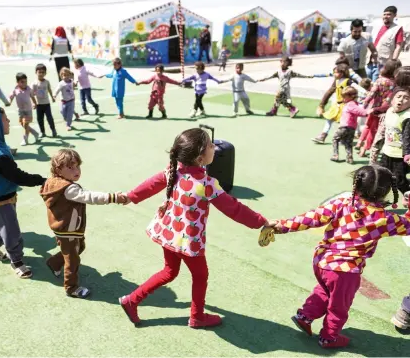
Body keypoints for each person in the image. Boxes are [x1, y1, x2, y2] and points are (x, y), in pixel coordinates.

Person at [118, 128, 275, 327]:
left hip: (168, 233)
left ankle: (132, 300)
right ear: (200, 158)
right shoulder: (206, 184)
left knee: (169, 271)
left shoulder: (173, 170)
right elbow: (234, 209)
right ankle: (197, 317)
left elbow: (151, 184)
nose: (214, 148)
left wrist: (131, 196)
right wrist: (261, 221)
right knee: (200, 276)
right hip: (187, 241)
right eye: (211, 145)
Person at [267, 165, 410, 349]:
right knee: (339, 305)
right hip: (345, 271)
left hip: (322, 261)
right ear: (387, 191)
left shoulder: (342, 203)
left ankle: (305, 315)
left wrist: (281, 225)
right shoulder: (385, 219)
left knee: (324, 289)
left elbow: (311, 218)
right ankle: (329, 337)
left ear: (356, 185)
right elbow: (407, 225)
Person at [40, 149, 127, 298]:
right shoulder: (68, 188)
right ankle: (71, 287)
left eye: (78, 166)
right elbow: (88, 196)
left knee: (78, 248)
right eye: (71, 167)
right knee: (72, 259)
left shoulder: (53, 182)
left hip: (64, 227)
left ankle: (54, 263)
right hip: (68, 229)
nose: (77, 171)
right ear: (58, 169)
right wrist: (113, 197)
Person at [0, 103, 45, 278]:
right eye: (5, 119)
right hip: (0, 198)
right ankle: (17, 261)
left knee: (2, 225)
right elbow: (18, 176)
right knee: (11, 231)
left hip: (2, 196)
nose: (8, 121)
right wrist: (42, 180)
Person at [355, 59, 399, 157]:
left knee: (367, 126)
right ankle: (364, 149)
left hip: (373, 108)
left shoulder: (380, 80)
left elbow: (372, 93)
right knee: (374, 131)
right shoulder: (395, 83)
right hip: (383, 111)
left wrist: (365, 104)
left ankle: (359, 142)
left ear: (386, 68)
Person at [378, 87, 410, 199]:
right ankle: (377, 200)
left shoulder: (407, 117)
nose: (401, 100)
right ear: (392, 99)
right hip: (387, 152)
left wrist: (407, 154)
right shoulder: (390, 111)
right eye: (398, 97)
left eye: (406, 98)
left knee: (399, 181)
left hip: (400, 156)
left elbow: (407, 138)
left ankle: (408, 196)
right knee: (381, 176)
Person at [312, 63, 356, 144]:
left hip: (345, 106)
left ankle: (344, 137)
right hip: (336, 105)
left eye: (336, 72)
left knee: (343, 123)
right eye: (334, 72)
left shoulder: (348, 81)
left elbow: (355, 89)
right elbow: (330, 91)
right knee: (329, 119)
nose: (334, 74)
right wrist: (321, 104)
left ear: (342, 73)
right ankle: (323, 135)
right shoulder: (336, 81)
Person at [330, 87, 367, 164]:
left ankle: (335, 155)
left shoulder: (351, 104)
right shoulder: (353, 104)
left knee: (335, 139)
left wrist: (367, 112)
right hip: (352, 128)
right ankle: (349, 158)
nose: (343, 99)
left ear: (351, 97)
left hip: (345, 127)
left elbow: (362, 112)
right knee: (348, 143)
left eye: (344, 97)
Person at [372, 6, 404, 78]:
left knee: (382, 84)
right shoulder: (377, 27)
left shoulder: (397, 29)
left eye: (389, 14)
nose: (386, 16)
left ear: (394, 16)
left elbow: (398, 47)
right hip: (372, 62)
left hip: (385, 63)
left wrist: (393, 62)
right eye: (384, 14)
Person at [8, 72, 39, 146]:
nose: (24, 83)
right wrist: (9, 102)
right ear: (17, 82)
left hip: (28, 110)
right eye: (22, 82)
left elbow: (32, 96)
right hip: (20, 110)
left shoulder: (29, 89)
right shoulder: (15, 89)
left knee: (25, 125)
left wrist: (35, 103)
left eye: (25, 81)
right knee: (22, 124)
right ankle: (35, 133)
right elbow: (11, 97)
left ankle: (25, 139)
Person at [33, 63, 57, 138]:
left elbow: (49, 89)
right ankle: (42, 132)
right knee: (40, 119)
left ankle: (53, 130)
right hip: (39, 104)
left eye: (43, 72)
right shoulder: (34, 83)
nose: (41, 74)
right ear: (36, 72)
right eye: (39, 72)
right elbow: (32, 94)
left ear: (45, 73)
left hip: (46, 104)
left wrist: (52, 97)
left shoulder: (47, 82)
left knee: (49, 118)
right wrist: (33, 103)